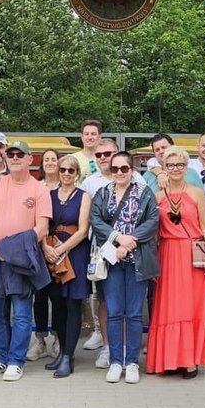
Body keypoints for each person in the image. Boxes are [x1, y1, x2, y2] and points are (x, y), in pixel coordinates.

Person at [0, 140, 52, 382]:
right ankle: (1, 357)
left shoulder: (38, 188)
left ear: (31, 159)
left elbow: (41, 226)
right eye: (11, 154)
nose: (14, 157)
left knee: (21, 313)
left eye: (20, 154)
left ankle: (15, 360)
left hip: (22, 260)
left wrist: (15, 249)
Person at [90, 151, 159, 384]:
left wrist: (130, 242)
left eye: (124, 169)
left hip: (137, 259)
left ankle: (131, 362)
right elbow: (96, 220)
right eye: (115, 169)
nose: (119, 173)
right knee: (114, 311)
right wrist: (118, 237)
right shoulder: (103, 193)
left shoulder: (144, 193)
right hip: (111, 260)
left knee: (134, 313)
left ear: (132, 170)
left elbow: (152, 221)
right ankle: (116, 361)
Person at [147, 147, 205, 378]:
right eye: (171, 165)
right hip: (167, 254)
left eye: (180, 165)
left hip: (192, 254)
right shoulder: (157, 196)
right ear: (164, 168)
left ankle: (189, 360)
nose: (175, 169)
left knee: (191, 306)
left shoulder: (197, 193)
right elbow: (153, 232)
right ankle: (169, 359)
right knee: (170, 308)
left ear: (186, 168)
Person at [41, 154, 92, 378]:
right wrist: (46, 248)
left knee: (73, 305)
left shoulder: (84, 196)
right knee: (57, 304)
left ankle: (69, 356)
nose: (66, 174)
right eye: (63, 170)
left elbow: (82, 230)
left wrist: (61, 250)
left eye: (71, 170)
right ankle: (61, 352)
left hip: (74, 253)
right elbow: (41, 224)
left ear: (77, 173)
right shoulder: (48, 195)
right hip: (51, 253)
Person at [27, 147, 63, 363]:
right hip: (39, 246)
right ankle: (39, 340)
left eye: (54, 159)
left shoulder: (66, 186)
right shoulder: (35, 187)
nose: (50, 162)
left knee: (58, 295)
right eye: (47, 159)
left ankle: (58, 338)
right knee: (39, 295)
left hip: (60, 248)